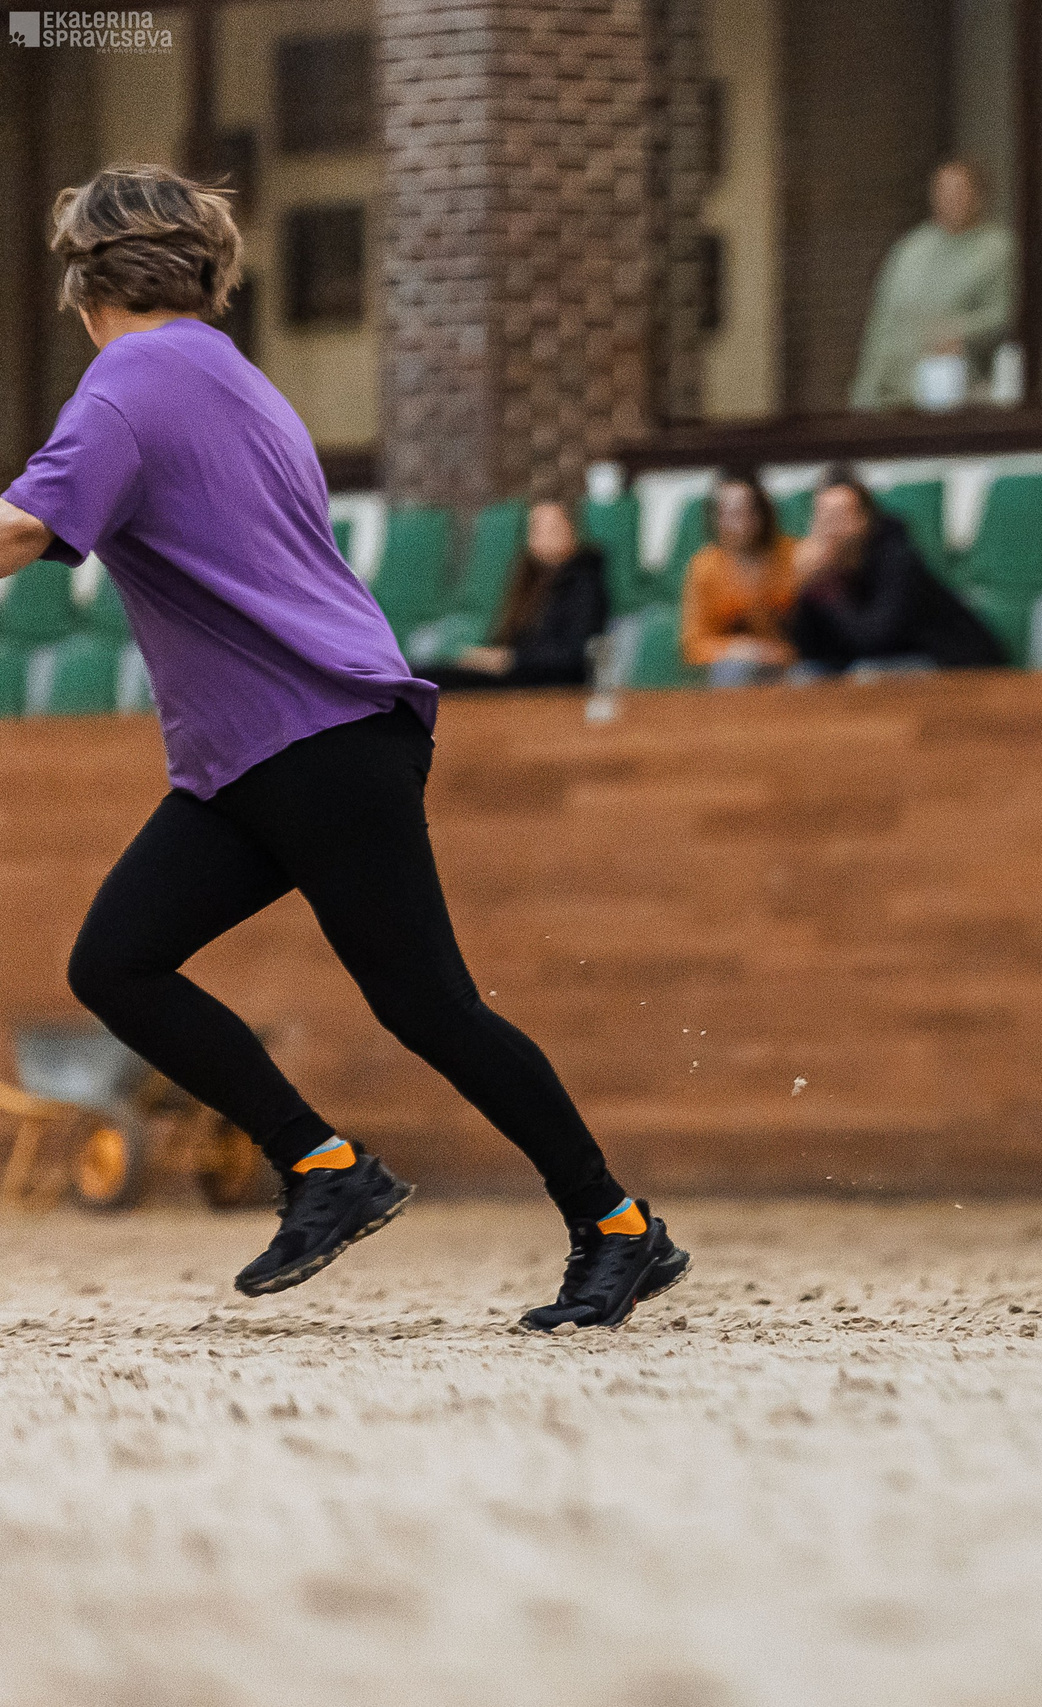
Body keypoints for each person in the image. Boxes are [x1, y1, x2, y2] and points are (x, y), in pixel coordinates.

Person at [0, 165, 685, 1330]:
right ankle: (322, 1167)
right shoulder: (231, 373)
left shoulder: (125, 385)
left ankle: (615, 1226)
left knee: (429, 1005)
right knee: (117, 961)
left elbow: (24, 528)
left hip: (308, 738)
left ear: (84, 287)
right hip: (271, 748)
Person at [786, 466, 1008, 674]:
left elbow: (877, 639)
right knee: (807, 673)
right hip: (885, 662)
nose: (832, 528)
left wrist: (828, 591)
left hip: (951, 662)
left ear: (865, 519)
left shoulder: (896, 557)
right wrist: (806, 586)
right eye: (824, 517)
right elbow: (808, 649)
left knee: (867, 674)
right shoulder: (821, 569)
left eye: (841, 516)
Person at [852, 160, 1016, 410]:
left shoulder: (998, 250)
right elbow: (882, 323)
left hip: (956, 397)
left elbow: (1006, 314)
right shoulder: (911, 250)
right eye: (942, 190)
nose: (949, 199)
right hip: (893, 395)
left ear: (979, 197)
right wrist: (863, 393)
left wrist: (957, 332)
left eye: (958, 191)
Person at [420, 499, 609, 691]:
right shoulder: (529, 578)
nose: (543, 535)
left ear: (572, 531)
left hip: (546, 684)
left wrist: (511, 659)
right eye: (536, 528)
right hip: (518, 674)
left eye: (552, 527)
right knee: (420, 675)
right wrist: (487, 657)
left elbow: (575, 654)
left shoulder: (585, 581)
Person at [679, 471, 800, 687]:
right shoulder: (704, 567)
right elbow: (693, 645)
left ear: (762, 512)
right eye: (727, 513)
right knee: (733, 669)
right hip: (736, 672)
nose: (738, 522)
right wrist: (740, 649)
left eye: (746, 511)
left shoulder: (794, 556)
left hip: (792, 666)